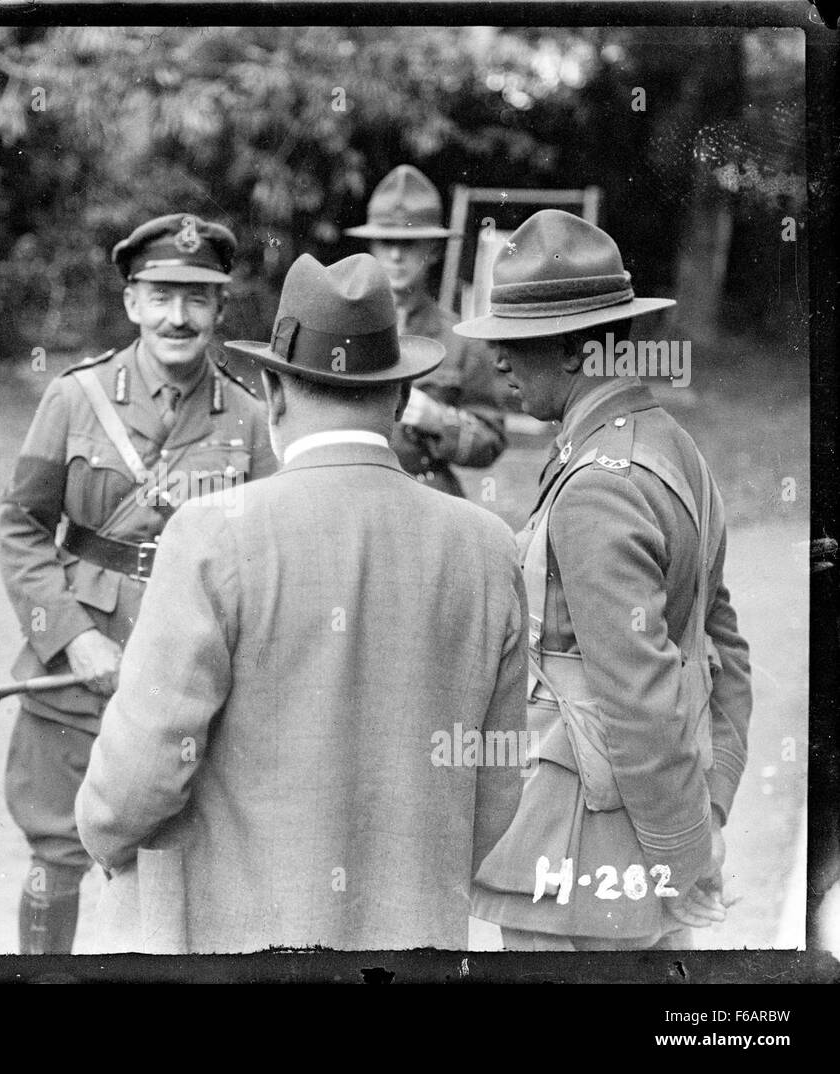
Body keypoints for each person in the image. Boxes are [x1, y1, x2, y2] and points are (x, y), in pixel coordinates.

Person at [75, 252, 528, 952]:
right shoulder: (489, 545)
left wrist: (103, 833)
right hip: (418, 941)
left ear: (273, 392)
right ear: (402, 397)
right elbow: (498, 792)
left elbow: (136, 779)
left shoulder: (210, 534)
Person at [454, 209, 754, 950]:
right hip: (642, 849)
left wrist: (685, 860)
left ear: (582, 351)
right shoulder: (667, 443)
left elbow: (639, 694)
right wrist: (703, 819)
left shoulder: (598, 485)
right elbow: (726, 656)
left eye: (517, 345)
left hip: (583, 866)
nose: (497, 362)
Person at [0, 212, 278, 953]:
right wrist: (71, 637)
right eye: (160, 296)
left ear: (221, 308)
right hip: (80, 668)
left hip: (194, 668)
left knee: (184, 861)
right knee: (55, 854)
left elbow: (267, 555)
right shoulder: (74, 399)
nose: (177, 317)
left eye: (197, 298)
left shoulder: (250, 421)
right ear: (131, 304)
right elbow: (23, 527)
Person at [346, 164, 506, 497]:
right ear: (370, 247)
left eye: (410, 243)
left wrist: (438, 419)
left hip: (428, 495)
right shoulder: (341, 330)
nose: (395, 254)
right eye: (385, 241)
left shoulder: (461, 340)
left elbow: (491, 442)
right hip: (352, 490)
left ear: (433, 250)